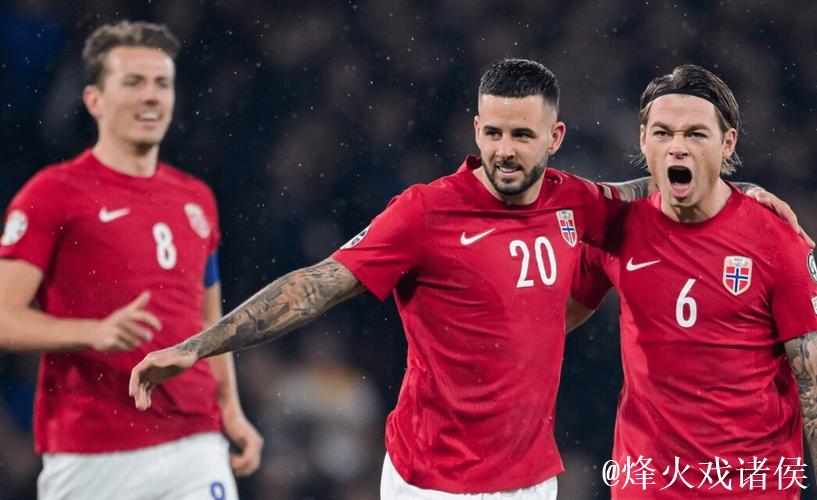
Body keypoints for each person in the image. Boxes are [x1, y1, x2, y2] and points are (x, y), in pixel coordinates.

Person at [127, 59, 792, 499]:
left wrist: (743, 195)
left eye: (522, 136)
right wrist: (196, 345)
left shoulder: (573, 201)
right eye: (493, 133)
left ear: (554, 136)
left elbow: (652, 186)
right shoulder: (424, 213)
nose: (505, 151)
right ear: (476, 128)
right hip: (430, 481)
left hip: (531, 480)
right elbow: (315, 286)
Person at [0, 21, 263, 499]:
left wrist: (230, 407)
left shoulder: (197, 198)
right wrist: (92, 332)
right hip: (92, 450)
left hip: (194, 443)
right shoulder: (52, 194)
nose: (151, 97)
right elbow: (3, 317)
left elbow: (209, 320)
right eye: (134, 82)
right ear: (95, 100)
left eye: (162, 83)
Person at [568, 65, 817, 499]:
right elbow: (544, 328)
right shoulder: (617, 228)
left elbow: (812, 385)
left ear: (728, 143)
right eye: (662, 133)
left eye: (697, 134)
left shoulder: (777, 242)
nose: (677, 146)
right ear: (643, 140)